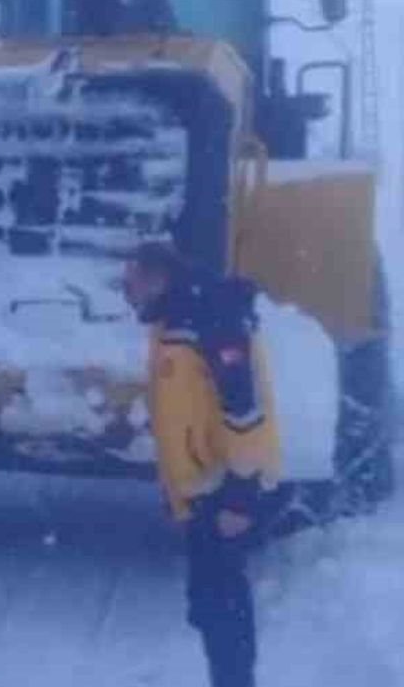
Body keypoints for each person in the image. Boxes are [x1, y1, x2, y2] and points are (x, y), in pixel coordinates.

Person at [123, 242, 282, 687]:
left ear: (159, 278)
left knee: (222, 604)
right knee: (209, 602)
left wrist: (240, 495)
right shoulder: (172, 319)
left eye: (131, 283)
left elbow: (243, 410)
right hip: (204, 485)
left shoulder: (212, 322)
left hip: (228, 484)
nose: (127, 293)